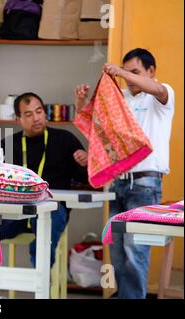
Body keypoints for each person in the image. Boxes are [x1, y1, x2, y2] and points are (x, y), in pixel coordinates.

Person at [75, 48, 175, 299]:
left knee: (135, 249)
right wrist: (81, 103)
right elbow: (99, 131)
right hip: (118, 184)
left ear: (151, 72)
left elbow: (158, 90)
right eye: (126, 73)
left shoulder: (161, 95)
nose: (129, 79)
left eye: (135, 72)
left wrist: (120, 73)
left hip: (145, 184)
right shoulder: (120, 99)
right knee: (118, 251)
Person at [0, 92, 89, 267]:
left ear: (45, 113)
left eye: (39, 111)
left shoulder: (65, 139)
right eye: (28, 114)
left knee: (45, 232)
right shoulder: (7, 145)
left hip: (52, 209)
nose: (36, 118)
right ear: (18, 119)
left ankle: (42, 282)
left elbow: (85, 178)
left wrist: (85, 162)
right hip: (14, 211)